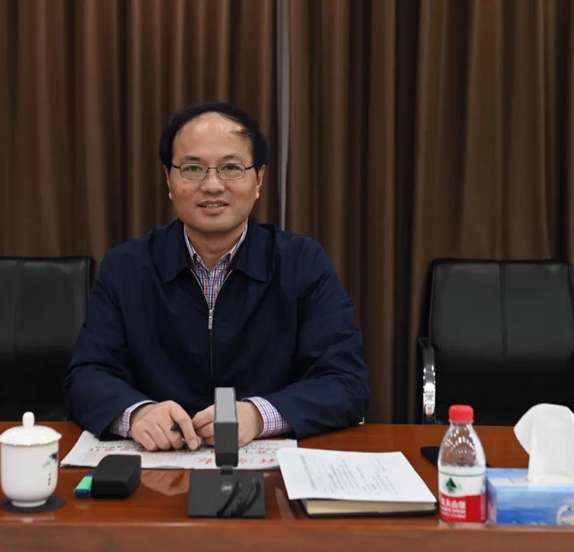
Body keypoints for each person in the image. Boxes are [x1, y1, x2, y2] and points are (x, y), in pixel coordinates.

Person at [64, 101, 369, 451]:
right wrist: (137, 414)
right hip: (158, 464)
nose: (212, 185)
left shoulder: (302, 263)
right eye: (193, 168)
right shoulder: (126, 267)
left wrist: (258, 416)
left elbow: (346, 382)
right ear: (169, 179)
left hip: (268, 466)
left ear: (258, 179)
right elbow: (87, 375)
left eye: (231, 168)